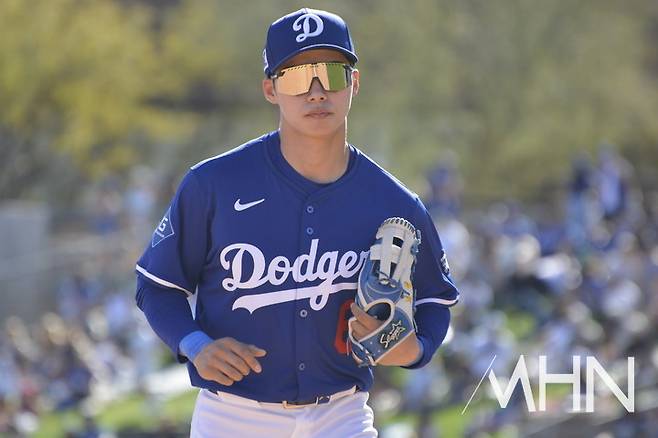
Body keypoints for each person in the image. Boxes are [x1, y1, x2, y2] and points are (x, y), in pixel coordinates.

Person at [135, 8, 459, 437]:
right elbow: (157, 286)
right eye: (296, 76)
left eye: (332, 74)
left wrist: (413, 350)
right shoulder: (213, 184)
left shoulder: (395, 202)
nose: (316, 91)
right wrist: (196, 345)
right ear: (270, 89)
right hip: (232, 416)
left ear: (354, 83)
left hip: (341, 414)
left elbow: (436, 300)